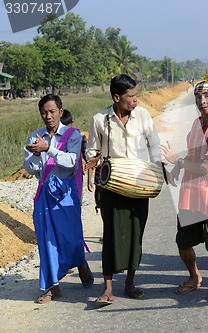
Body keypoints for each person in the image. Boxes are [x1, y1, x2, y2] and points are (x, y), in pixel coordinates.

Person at [85, 74, 162, 305]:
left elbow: (154, 144)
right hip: (112, 187)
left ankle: (130, 282)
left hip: (140, 185)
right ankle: (108, 287)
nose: (135, 100)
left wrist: (157, 172)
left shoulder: (143, 115)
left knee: (135, 234)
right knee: (110, 235)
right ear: (116, 97)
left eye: (136, 95)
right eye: (131, 96)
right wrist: (94, 160)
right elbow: (92, 149)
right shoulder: (100, 119)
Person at [161, 79, 208, 304]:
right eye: (198, 97)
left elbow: (206, 167)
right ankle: (194, 276)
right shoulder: (196, 124)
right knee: (183, 242)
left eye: (207, 96)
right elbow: (193, 154)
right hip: (191, 193)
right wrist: (176, 168)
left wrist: (178, 162)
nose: (202, 101)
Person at [24, 94, 93, 304]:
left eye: (52, 111)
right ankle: (51, 286)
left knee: (71, 237)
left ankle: (80, 262)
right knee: (47, 241)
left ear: (61, 113)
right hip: (44, 194)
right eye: (44, 112)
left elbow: (72, 162)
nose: (48, 116)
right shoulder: (35, 136)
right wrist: (36, 155)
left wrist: (49, 149)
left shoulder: (72, 135)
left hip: (66, 195)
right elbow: (29, 168)